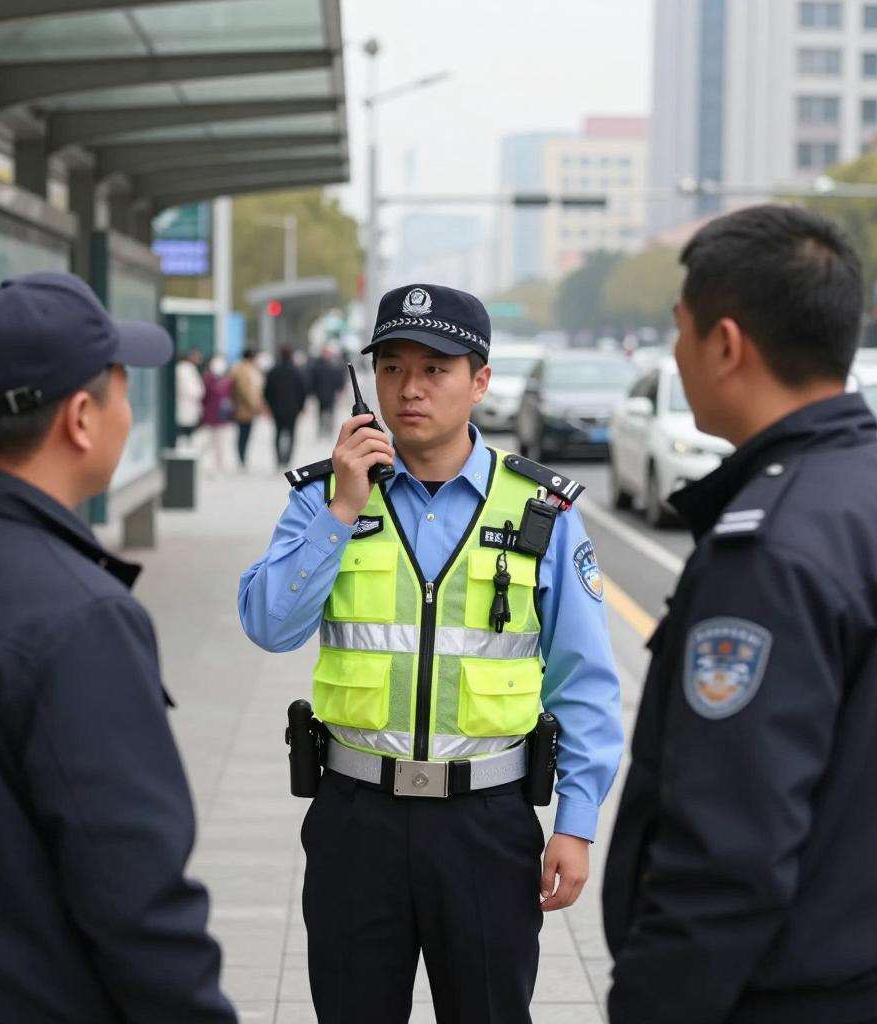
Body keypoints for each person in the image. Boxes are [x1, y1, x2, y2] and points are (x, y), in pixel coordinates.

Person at [239, 283, 623, 1023]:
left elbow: (585, 680)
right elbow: (268, 623)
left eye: (435, 368)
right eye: (391, 367)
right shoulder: (325, 497)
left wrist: (575, 823)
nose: (409, 389)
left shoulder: (541, 510)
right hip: (355, 820)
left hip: (486, 824)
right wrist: (342, 510)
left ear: (479, 381)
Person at [602, 205, 877, 1024]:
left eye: (680, 329)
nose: (674, 351)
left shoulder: (770, 553)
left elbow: (728, 851)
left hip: (770, 994)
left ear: (727, 344)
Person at [0, 272, 236, 1024]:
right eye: (121, 390)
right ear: (81, 418)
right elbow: (138, 902)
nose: (127, 412)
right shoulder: (80, 617)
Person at [263, 344, 308, 468]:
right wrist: (301, 406)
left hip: (276, 409)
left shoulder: (273, 371)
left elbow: (266, 391)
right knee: (292, 434)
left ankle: (279, 459)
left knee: (277, 433)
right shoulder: (297, 371)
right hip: (292, 409)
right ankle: (287, 459)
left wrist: (269, 406)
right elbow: (303, 391)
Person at [198, 354, 235, 475]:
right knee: (211, 443)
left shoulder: (227, 380)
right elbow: (203, 398)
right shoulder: (207, 379)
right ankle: (211, 465)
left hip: (222, 417)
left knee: (221, 443)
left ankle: (220, 465)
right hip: (211, 416)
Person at [229, 348, 265, 469]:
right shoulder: (243, 370)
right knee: (243, 433)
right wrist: (254, 405)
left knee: (245, 433)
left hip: (248, 408)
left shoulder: (248, 369)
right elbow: (244, 390)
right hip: (244, 408)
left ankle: (243, 457)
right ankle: (242, 458)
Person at [308, 343, 346, 438]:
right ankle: (321, 430)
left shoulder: (334, 365)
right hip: (320, 393)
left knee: (330, 413)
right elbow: (313, 378)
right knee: (321, 412)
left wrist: (340, 389)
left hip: (330, 393)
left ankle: (328, 430)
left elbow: (339, 378)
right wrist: (312, 391)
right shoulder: (317, 365)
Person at [175, 346, 205, 442]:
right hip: (185, 408)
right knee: (185, 436)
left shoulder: (189, 368)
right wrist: (200, 392)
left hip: (189, 408)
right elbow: (192, 391)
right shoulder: (184, 369)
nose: (199, 359)